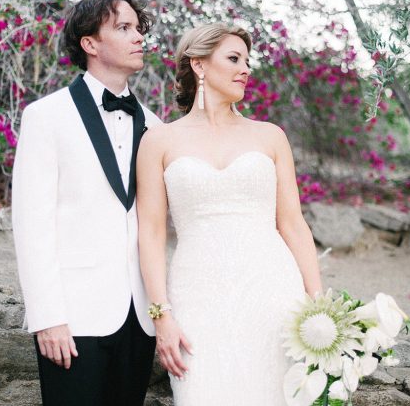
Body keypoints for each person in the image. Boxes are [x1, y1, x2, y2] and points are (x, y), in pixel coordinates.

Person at [137, 23, 323, 404]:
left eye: (248, 61)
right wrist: (162, 316)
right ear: (200, 66)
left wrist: (318, 304)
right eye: (234, 59)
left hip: (273, 291)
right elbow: (151, 234)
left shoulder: (270, 136)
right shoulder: (158, 140)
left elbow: (292, 224)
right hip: (196, 295)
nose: (245, 69)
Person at [12, 0, 162, 406]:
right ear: (90, 44)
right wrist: (47, 317)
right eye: (124, 28)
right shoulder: (46, 116)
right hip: (73, 317)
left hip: (139, 318)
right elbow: (32, 224)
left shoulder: (154, 125)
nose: (139, 38)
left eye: (139, 28)